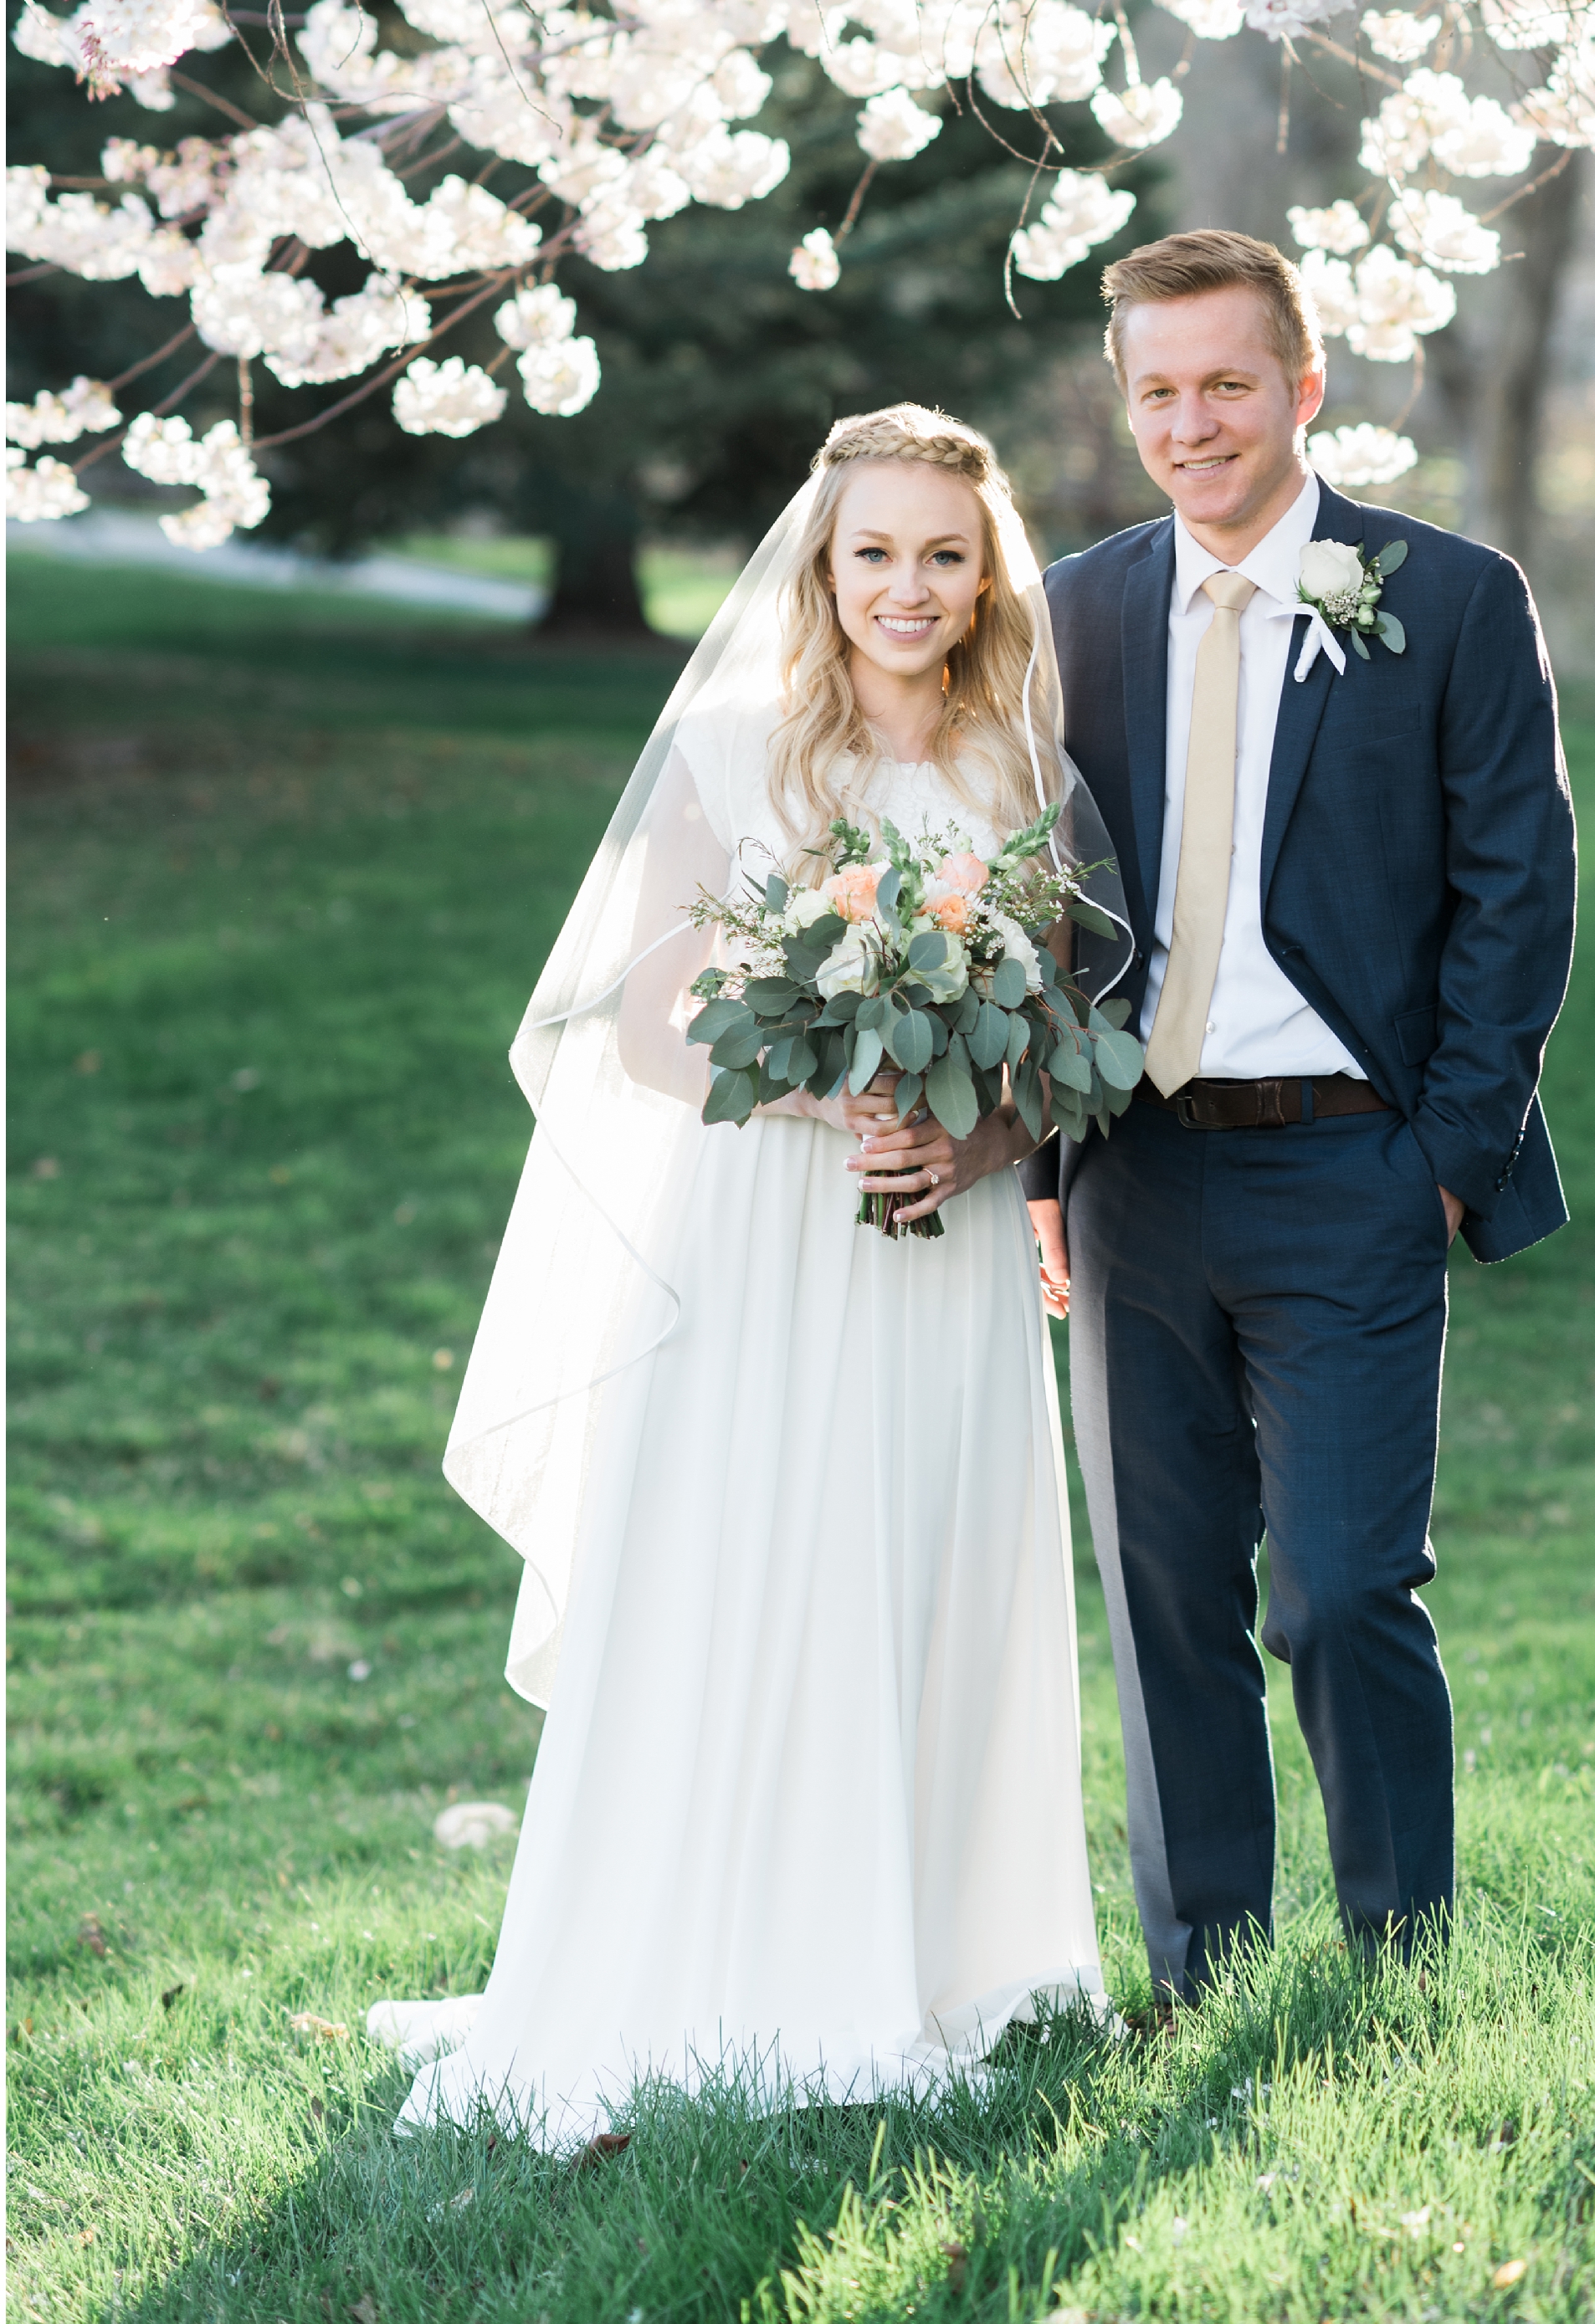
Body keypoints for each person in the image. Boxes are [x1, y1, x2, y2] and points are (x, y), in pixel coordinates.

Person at [368, 407, 1105, 2147]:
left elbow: (1061, 1045)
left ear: (984, 569)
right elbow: (642, 1028)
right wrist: (835, 1074)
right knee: (749, 1559)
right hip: (765, 1241)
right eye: (876, 553)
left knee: (922, 1562)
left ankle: (934, 1948)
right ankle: (708, 1947)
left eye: (944, 553)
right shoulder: (732, 749)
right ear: (824, 561)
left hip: (943, 1248)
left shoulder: (1031, 776)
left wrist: (967, 1141)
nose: (908, 588)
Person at [1021, 229, 1577, 2000]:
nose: (1191, 422)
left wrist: (1443, 1160)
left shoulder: (1449, 597)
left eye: (1226, 385)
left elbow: (1517, 892)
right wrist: (1039, 1157)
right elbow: (1028, 902)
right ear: (1129, 402)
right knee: (1167, 1601)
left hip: (1355, 1162)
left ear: (1302, 387)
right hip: (1131, 1171)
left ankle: (1397, 1964)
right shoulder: (1073, 609)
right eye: (1158, 390)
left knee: (1340, 1592)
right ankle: (1202, 1976)